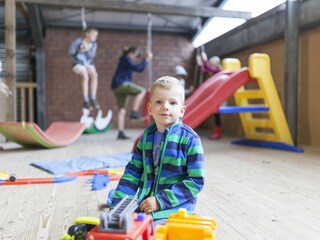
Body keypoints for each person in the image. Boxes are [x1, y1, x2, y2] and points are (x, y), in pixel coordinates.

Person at [110, 76, 205, 228]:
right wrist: (117, 206)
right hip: (146, 204)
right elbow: (132, 173)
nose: (165, 107)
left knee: (153, 232)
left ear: (181, 111)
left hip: (175, 208)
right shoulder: (147, 137)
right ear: (149, 109)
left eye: (172, 103)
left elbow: (196, 182)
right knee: (120, 220)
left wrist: (160, 201)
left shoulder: (191, 140)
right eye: (159, 102)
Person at [111, 46, 152, 140]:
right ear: (132, 53)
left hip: (116, 86)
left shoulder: (124, 59)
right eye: (136, 56)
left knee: (122, 110)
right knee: (141, 91)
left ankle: (120, 132)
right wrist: (146, 60)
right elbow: (139, 68)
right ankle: (134, 112)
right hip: (121, 84)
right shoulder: (126, 58)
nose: (135, 59)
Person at [69, 28, 100, 110]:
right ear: (87, 34)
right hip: (78, 63)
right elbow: (71, 52)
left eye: (96, 36)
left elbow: (91, 56)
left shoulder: (94, 44)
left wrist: (86, 50)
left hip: (88, 63)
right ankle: (85, 100)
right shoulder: (78, 41)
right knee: (85, 76)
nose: (95, 37)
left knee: (94, 75)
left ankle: (93, 98)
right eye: (93, 35)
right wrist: (79, 50)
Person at [197, 53, 223, 139]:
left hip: (219, 94)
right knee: (216, 115)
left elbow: (209, 68)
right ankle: (216, 132)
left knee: (216, 114)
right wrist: (200, 63)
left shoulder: (219, 70)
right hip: (214, 94)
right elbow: (205, 71)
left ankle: (218, 133)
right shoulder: (213, 71)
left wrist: (205, 59)